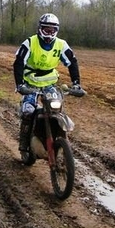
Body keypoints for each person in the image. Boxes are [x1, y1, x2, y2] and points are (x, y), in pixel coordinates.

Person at [13, 13, 83, 152]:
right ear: (40, 29)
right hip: (30, 84)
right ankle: (24, 143)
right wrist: (20, 85)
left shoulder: (61, 45)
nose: (49, 33)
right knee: (28, 111)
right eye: (46, 30)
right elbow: (19, 63)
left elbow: (72, 63)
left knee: (57, 108)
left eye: (52, 30)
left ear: (56, 31)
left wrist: (76, 84)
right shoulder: (30, 43)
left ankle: (58, 138)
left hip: (50, 84)